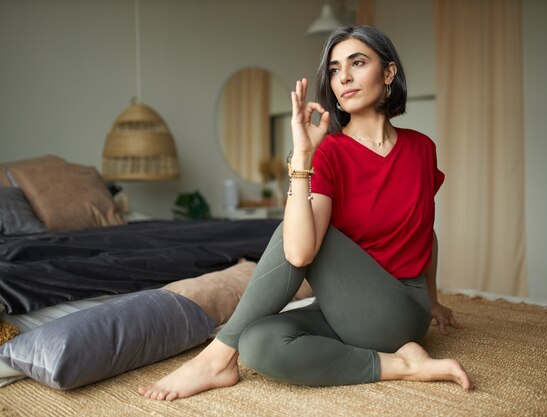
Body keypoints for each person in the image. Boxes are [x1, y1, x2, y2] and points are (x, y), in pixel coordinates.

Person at [138, 25, 473, 401]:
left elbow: (424, 233)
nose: (342, 77)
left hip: (398, 311)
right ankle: (402, 364)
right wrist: (302, 157)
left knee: (299, 233)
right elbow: (300, 253)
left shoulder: (421, 148)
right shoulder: (329, 152)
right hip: (345, 310)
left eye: (357, 63)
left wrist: (432, 301)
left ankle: (215, 358)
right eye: (333, 70)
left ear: (389, 73)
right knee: (258, 343)